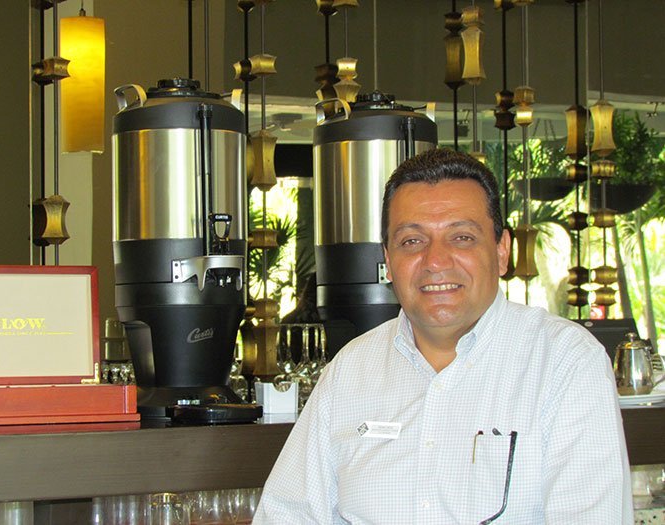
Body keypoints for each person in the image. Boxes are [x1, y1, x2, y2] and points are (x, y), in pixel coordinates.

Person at [253, 148, 632, 524]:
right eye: (412, 241)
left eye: (462, 237)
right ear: (388, 260)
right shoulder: (350, 370)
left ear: (502, 251)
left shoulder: (564, 361)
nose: (435, 261)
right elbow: (287, 514)